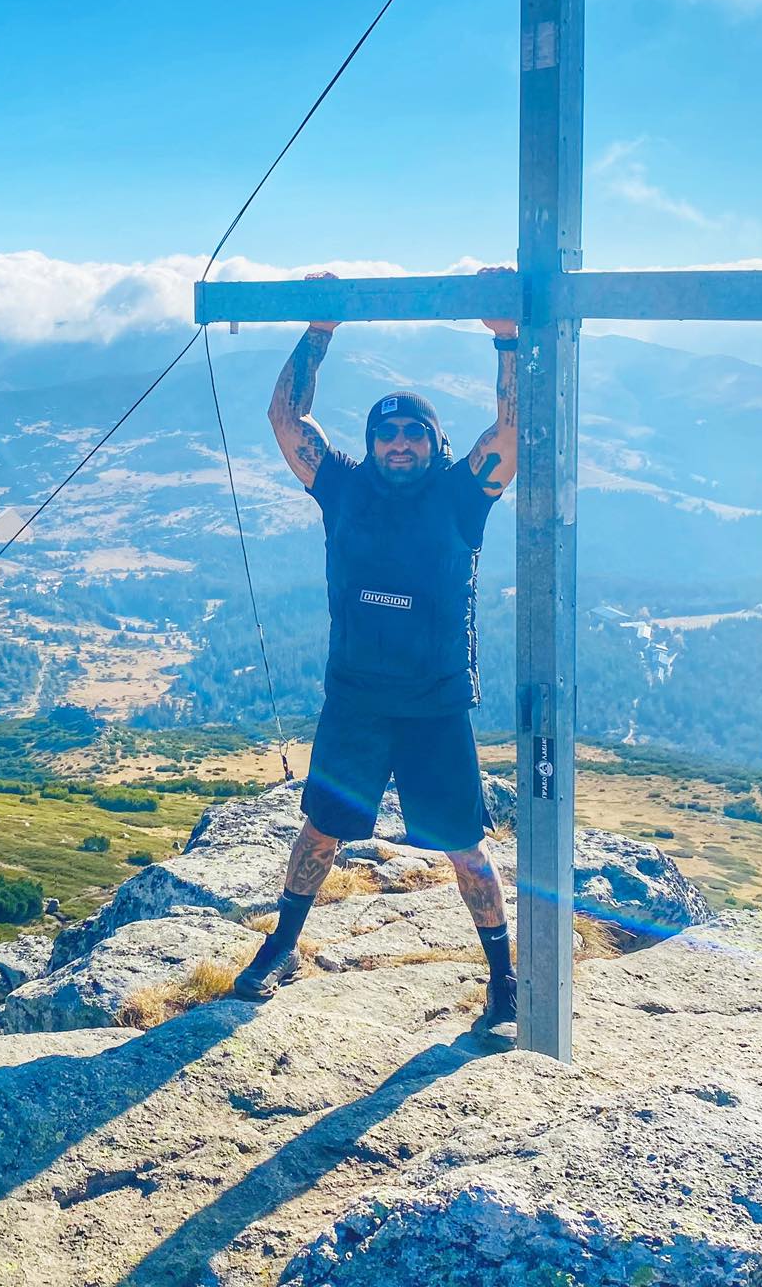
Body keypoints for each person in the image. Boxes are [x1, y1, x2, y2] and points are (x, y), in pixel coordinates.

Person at [230, 266, 521, 1036]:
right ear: (372, 443)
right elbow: (283, 417)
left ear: (434, 442)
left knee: (463, 846)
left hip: (433, 705)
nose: (398, 443)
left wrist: (508, 341)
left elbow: (512, 434)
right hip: (355, 699)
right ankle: (283, 947)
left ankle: (504, 979)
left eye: (412, 432)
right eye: (386, 433)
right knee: (321, 830)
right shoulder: (344, 487)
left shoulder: (464, 493)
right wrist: (319, 330)